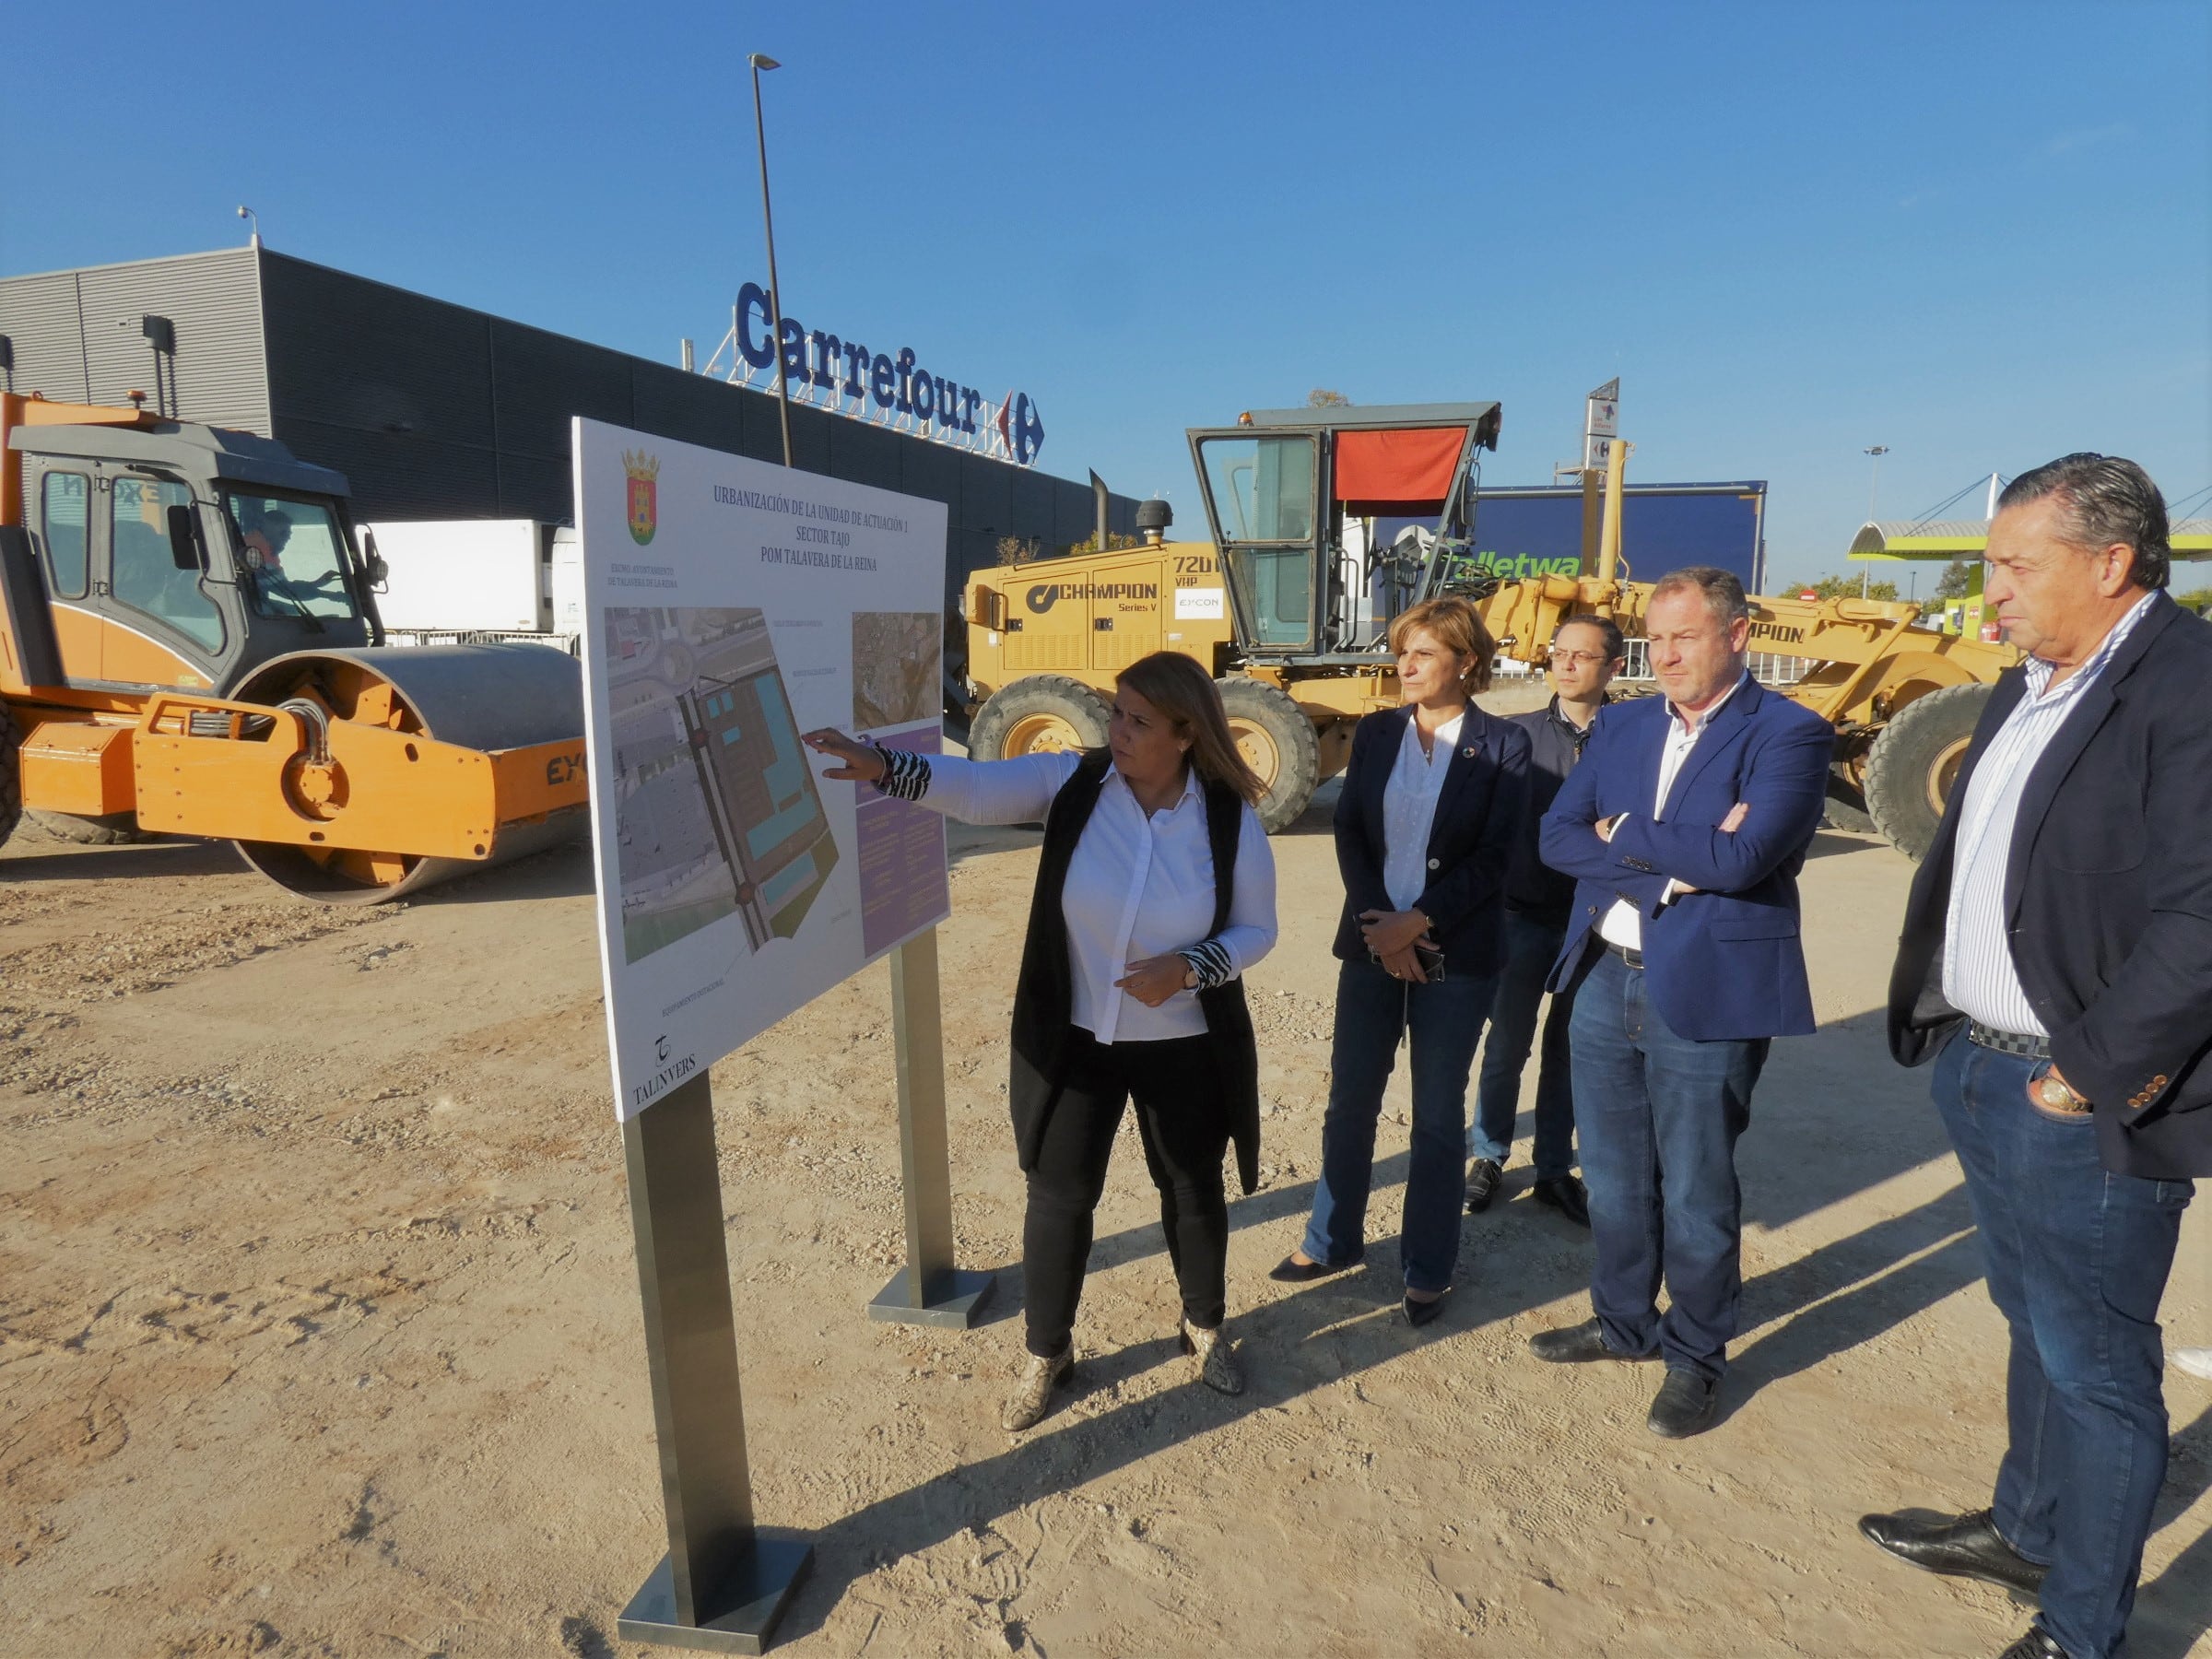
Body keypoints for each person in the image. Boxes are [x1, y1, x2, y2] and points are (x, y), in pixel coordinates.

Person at [1863, 454, 2209, 1659]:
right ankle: (2026, 1529)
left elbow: (2205, 918)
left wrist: (2089, 1074)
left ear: (2110, 562)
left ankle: (2080, 1633)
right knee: (2031, 1322)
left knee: (2099, 1372)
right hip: (1983, 1064)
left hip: (2077, 1097)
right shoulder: (2026, 683)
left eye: (2015, 564)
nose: (1991, 587)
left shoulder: (2190, 687)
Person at [806, 652, 1277, 1432]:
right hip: (1076, 1037)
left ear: (1186, 734)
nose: (1116, 731)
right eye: (1116, 712)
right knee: (1059, 1196)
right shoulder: (1077, 783)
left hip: (1184, 1039)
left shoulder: (1228, 816)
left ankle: (1204, 1327)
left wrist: (1192, 968)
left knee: (1192, 1189)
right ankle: (1046, 1352)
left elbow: (1259, 929)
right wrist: (884, 767)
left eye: (1137, 720)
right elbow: (979, 793)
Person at [1526, 567, 1831, 1438]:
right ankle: (1624, 1323)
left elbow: (1745, 862)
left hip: (1707, 986)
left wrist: (1622, 837)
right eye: (1654, 639)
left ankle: (1696, 1356)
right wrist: (1681, 856)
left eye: (1684, 637)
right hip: (1602, 975)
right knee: (1616, 1180)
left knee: (1696, 1186)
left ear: (1738, 637)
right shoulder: (1620, 725)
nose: (1662, 655)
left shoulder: (1789, 734)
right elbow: (1555, 837)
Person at [1270, 597, 1530, 1327]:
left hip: (1460, 952)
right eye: (1401, 651)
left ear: (1466, 662)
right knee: (1349, 1101)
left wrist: (1422, 922)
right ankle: (1331, 1239)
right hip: (1371, 942)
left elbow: (1495, 858)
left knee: (1438, 1120)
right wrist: (1383, 928)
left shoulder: (1504, 745)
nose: (1404, 666)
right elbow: (1352, 831)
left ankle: (1427, 1264)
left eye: (1422, 654)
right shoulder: (1379, 733)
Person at [1465, 616, 1626, 1226]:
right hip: (1521, 917)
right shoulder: (1516, 737)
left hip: (1597, 923)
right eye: (1559, 654)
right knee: (1507, 1041)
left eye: (1582, 656)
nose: (1566, 665)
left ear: (1612, 666)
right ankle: (1488, 1156)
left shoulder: (1635, 737)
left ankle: (1556, 1168)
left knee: (1571, 1048)